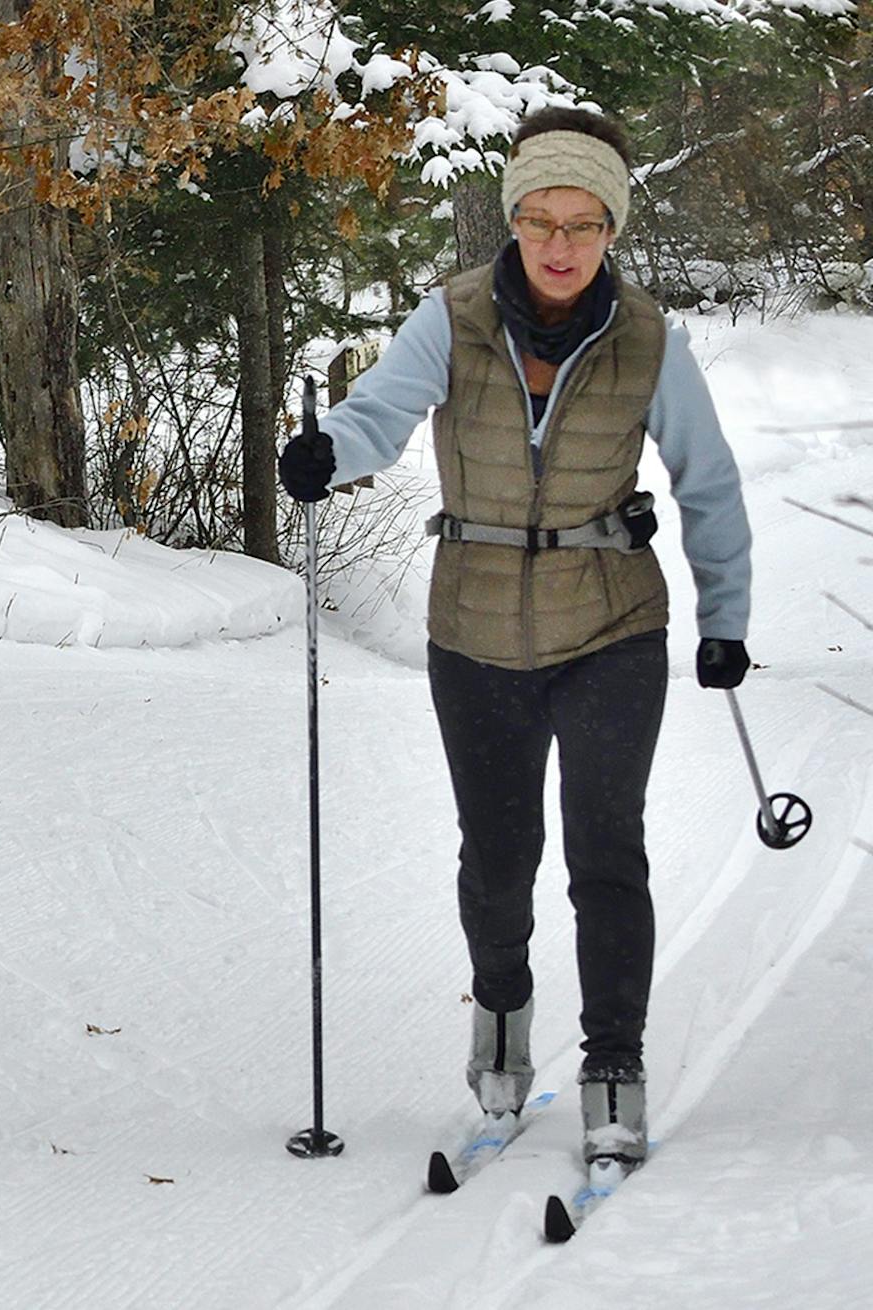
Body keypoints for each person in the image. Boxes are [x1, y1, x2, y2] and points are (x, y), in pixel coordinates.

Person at [277, 107, 753, 1170]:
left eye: (583, 222)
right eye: (540, 218)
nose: (559, 243)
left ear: (611, 231)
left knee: (604, 849)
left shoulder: (647, 340)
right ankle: (499, 1027)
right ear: (514, 219)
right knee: (497, 860)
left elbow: (708, 483)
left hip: (613, 625)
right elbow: (376, 413)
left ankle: (613, 1065)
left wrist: (725, 620)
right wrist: (327, 453)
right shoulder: (449, 320)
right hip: (476, 628)